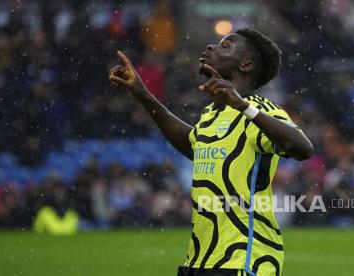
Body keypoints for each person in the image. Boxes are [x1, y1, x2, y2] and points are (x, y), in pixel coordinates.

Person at [109, 27, 313, 276]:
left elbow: (303, 149)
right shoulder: (211, 114)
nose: (210, 48)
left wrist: (243, 106)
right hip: (198, 261)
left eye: (225, 46)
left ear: (246, 65)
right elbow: (192, 144)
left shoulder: (259, 109)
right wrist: (143, 95)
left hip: (243, 260)